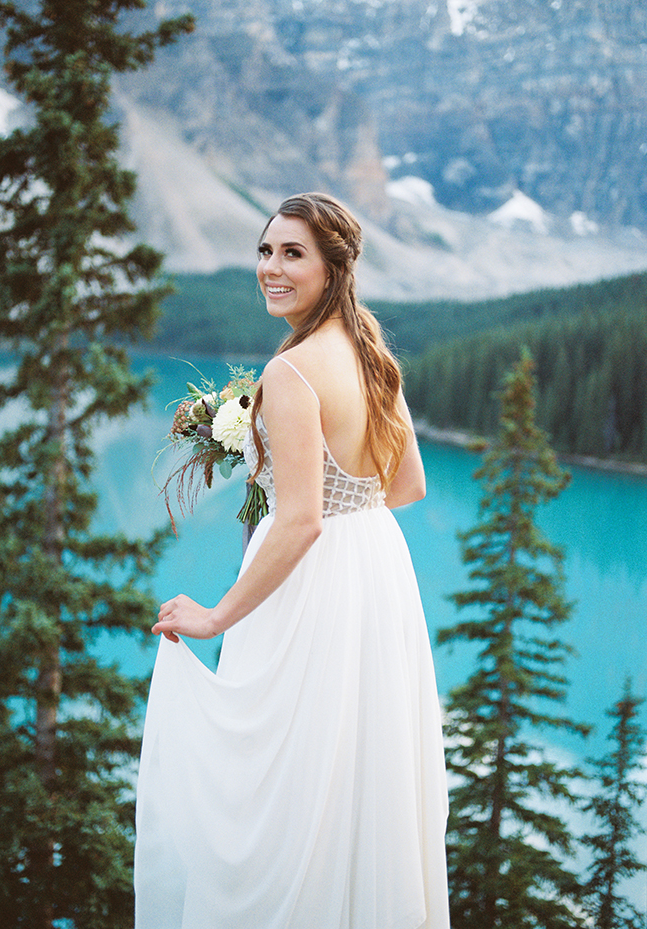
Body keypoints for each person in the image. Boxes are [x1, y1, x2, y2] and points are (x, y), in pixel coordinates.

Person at [134, 192, 450, 929]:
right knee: (353, 780)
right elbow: (407, 486)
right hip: (378, 579)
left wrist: (214, 616)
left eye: (292, 253)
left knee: (281, 785)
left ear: (333, 265)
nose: (271, 268)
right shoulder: (374, 356)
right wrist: (293, 468)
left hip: (313, 593)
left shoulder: (292, 372)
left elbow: (302, 521)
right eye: (265, 250)